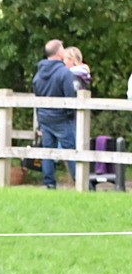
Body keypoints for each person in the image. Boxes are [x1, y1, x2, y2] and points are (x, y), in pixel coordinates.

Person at [31, 39, 78, 189]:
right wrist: (71, 115)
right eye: (63, 48)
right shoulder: (64, 72)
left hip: (45, 117)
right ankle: (81, 180)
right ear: (59, 52)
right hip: (62, 118)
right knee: (72, 151)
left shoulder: (38, 74)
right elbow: (70, 97)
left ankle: (49, 183)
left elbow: (37, 98)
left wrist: (39, 121)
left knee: (47, 151)